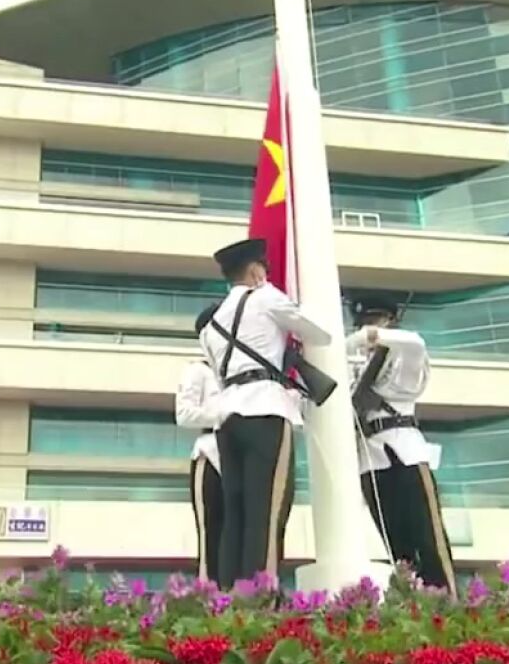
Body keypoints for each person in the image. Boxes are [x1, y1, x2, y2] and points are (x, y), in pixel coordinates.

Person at [199, 238, 331, 590]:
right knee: (267, 512)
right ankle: (260, 599)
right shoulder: (267, 297)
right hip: (266, 408)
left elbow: (217, 370)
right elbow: (320, 332)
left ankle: (228, 596)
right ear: (257, 271)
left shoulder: (211, 325)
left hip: (227, 416)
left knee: (236, 513)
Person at [347, 294, 456, 595]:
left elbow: (414, 343)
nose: (369, 330)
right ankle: (411, 606)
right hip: (370, 458)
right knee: (396, 545)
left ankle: (447, 601)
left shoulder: (403, 358)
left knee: (429, 538)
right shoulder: (356, 367)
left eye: (374, 323)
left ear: (389, 322)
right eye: (364, 324)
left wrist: (371, 337)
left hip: (405, 452)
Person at [175, 303, 225, 584]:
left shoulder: (241, 371)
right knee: (211, 535)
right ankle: (210, 597)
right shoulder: (199, 370)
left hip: (240, 457)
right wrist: (223, 416)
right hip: (211, 453)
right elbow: (184, 414)